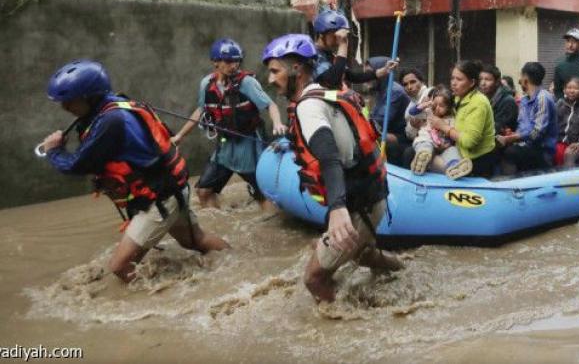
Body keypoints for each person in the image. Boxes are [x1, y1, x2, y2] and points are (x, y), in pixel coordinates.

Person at [40, 60, 229, 282]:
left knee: (120, 267)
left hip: (160, 199)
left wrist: (54, 151)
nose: (65, 107)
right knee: (195, 240)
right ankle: (237, 262)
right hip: (169, 190)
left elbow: (76, 165)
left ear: (89, 96)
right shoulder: (115, 106)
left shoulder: (110, 121)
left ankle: (164, 308)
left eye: (69, 101)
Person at [263, 34, 403, 303]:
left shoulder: (308, 108)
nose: (269, 79)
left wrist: (338, 209)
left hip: (357, 204)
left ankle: (345, 328)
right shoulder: (321, 89)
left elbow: (329, 157)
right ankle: (401, 270)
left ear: (296, 69)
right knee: (366, 255)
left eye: (274, 71)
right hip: (371, 194)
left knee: (314, 279)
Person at [172, 38, 285, 209]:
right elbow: (200, 110)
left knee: (264, 195)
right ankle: (219, 221)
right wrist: (180, 136)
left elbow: (270, 105)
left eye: (237, 61)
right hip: (224, 149)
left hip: (249, 148)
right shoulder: (206, 84)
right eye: (228, 61)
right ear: (215, 62)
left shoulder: (247, 83)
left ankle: (266, 223)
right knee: (204, 191)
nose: (234, 65)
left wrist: (277, 123)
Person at [428, 60, 497, 178]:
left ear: (472, 83)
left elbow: (469, 142)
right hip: (458, 151)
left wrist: (443, 127)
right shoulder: (457, 98)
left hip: (476, 160)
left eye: (459, 79)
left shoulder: (479, 102)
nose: (453, 83)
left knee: (430, 160)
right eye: (452, 78)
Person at [497, 62, 558, 174]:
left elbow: (537, 133)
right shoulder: (525, 100)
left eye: (521, 77)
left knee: (509, 152)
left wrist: (515, 138)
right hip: (526, 146)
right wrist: (512, 134)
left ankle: (511, 187)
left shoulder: (543, 98)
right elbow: (523, 128)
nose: (519, 81)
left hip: (542, 150)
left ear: (525, 79)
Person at [311, 9, 396, 89]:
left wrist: (384, 70)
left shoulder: (330, 54)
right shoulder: (312, 54)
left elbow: (352, 76)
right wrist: (343, 45)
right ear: (322, 34)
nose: (338, 39)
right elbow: (333, 79)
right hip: (313, 102)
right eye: (335, 35)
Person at [410, 87, 472, 179]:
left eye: (441, 106)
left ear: (449, 107)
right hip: (427, 139)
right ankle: (421, 159)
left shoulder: (451, 119)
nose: (437, 108)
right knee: (424, 144)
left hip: (443, 146)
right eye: (435, 105)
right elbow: (412, 112)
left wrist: (449, 143)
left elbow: (453, 134)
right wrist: (425, 104)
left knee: (452, 151)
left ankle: (455, 167)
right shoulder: (429, 112)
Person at [366, 56, 412, 165]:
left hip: (402, 137)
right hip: (387, 132)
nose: (366, 77)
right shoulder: (381, 90)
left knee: (371, 135)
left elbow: (379, 121)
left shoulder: (394, 91)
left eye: (369, 73)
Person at [399, 67, 431, 166]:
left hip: (432, 139)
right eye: (405, 84)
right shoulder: (412, 102)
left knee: (408, 153)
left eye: (413, 82)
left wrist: (420, 126)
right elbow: (410, 133)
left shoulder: (430, 93)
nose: (409, 87)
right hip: (417, 138)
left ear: (421, 81)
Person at [479, 64, 518, 135]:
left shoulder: (508, 101)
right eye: (481, 79)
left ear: (497, 82)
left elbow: (498, 128)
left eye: (487, 79)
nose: (483, 83)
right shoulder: (482, 98)